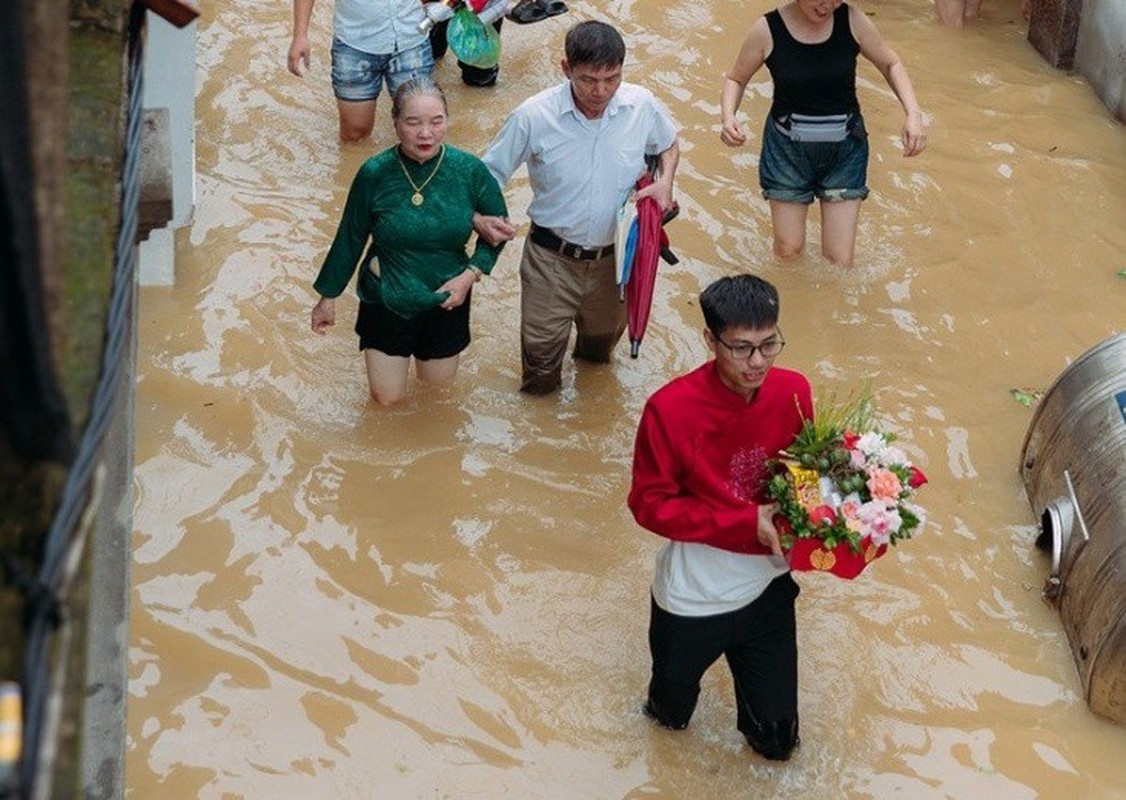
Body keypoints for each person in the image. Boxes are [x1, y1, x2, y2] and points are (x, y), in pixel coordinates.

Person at [628, 273, 813, 761]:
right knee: (668, 720)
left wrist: (833, 514)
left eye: (769, 344)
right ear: (710, 339)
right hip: (692, 599)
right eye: (741, 348)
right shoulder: (668, 410)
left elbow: (806, 471)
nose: (758, 362)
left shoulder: (794, 390)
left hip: (768, 587)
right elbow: (647, 504)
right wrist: (743, 523)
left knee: (776, 743)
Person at [479, 20, 680, 395]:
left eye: (612, 79)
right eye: (588, 79)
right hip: (550, 261)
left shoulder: (642, 105)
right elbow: (487, 175)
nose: (600, 91)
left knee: (597, 361)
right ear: (566, 68)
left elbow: (667, 145)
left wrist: (665, 182)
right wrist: (480, 218)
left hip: (617, 263)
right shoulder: (532, 116)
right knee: (539, 374)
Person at [309, 78, 509, 405]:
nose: (425, 133)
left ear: (448, 120)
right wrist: (327, 297)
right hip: (386, 295)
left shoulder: (469, 170)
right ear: (396, 124)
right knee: (386, 402)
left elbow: (498, 232)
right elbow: (351, 236)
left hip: (447, 297)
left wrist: (470, 274)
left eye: (436, 121)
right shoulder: (375, 172)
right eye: (413, 123)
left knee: (436, 399)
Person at [719, 0, 926, 267]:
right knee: (788, 252)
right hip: (786, 152)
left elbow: (890, 63)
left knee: (839, 262)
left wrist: (913, 114)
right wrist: (728, 117)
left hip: (845, 151)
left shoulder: (852, 20)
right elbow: (736, 78)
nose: (827, 4)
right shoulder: (767, 29)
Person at [287, 0, 434, 142]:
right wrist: (300, 36)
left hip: (412, 41)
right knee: (355, 134)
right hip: (354, 45)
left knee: (419, 130)